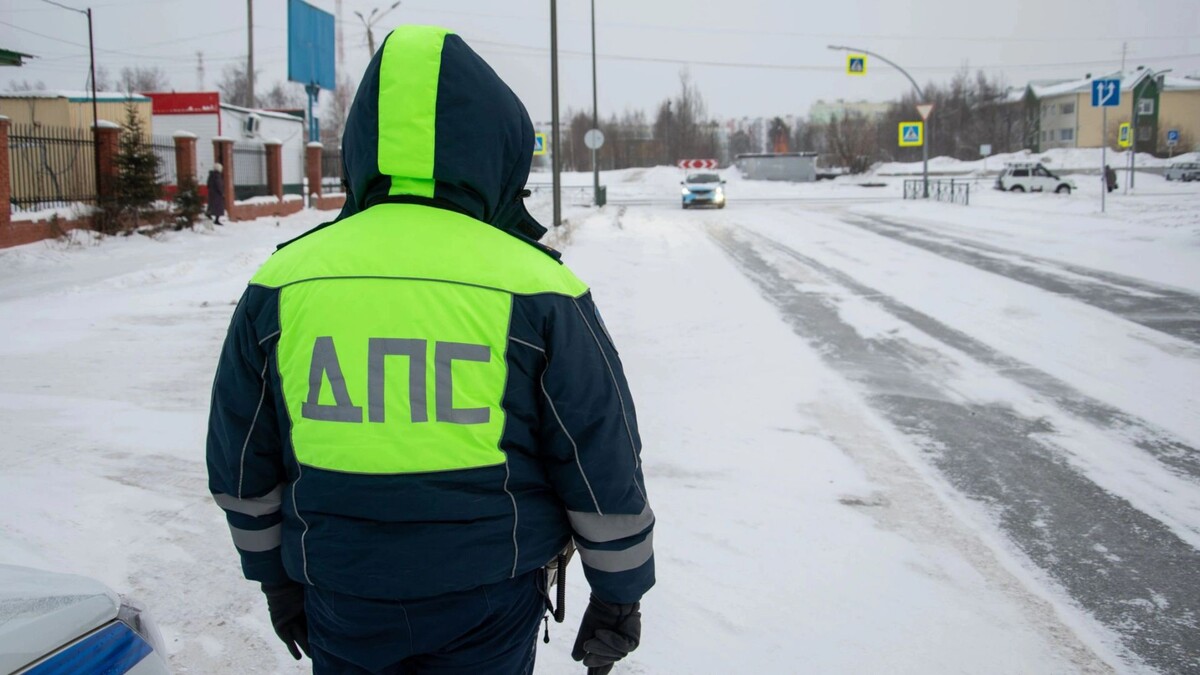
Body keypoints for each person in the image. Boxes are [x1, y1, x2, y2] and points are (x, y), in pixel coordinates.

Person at [206, 25, 653, 675]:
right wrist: (619, 593)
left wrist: (274, 577)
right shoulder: (539, 285)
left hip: (341, 591)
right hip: (490, 594)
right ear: (496, 146)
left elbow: (242, 455)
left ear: (362, 145)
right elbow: (598, 454)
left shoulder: (283, 282)